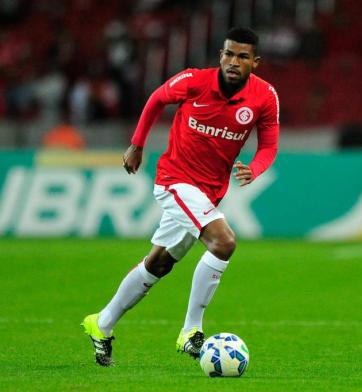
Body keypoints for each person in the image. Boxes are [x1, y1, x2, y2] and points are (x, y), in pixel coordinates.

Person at [81, 26, 280, 367]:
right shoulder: (194, 80)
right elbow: (157, 98)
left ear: (255, 62)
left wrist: (256, 169)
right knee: (223, 242)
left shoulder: (264, 97)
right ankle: (191, 331)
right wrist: (137, 143)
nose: (233, 62)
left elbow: (270, 144)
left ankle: (101, 324)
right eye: (228, 54)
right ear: (220, 55)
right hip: (175, 180)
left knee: (159, 263)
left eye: (242, 56)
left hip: (209, 191)